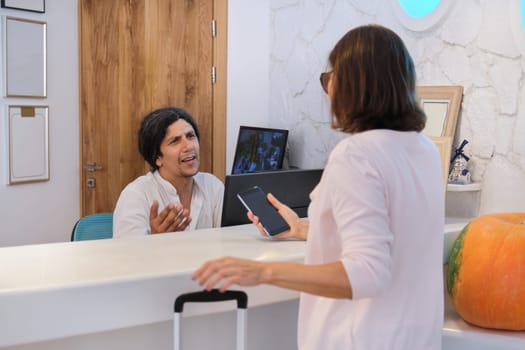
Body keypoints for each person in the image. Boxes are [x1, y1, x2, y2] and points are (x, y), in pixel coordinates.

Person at [193, 24, 444, 350]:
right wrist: (301, 230)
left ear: (356, 83)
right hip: (416, 338)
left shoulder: (356, 156)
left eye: (330, 77)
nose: (327, 89)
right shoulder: (424, 150)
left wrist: (263, 271)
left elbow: (368, 272)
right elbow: (389, 237)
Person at [113, 107, 224, 237]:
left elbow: (230, 239)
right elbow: (126, 255)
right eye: (175, 141)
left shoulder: (213, 185)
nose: (189, 146)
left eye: (190, 136)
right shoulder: (136, 195)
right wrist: (156, 240)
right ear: (158, 158)